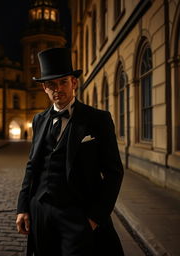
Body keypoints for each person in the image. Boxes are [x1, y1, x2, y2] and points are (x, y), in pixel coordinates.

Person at [16, 47, 124, 256]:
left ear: (74, 83)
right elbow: (32, 167)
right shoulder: (39, 120)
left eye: (63, 82)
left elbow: (114, 172)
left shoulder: (98, 119)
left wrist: (94, 218)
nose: (58, 89)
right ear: (44, 89)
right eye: (51, 84)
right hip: (41, 213)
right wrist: (23, 207)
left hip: (78, 215)